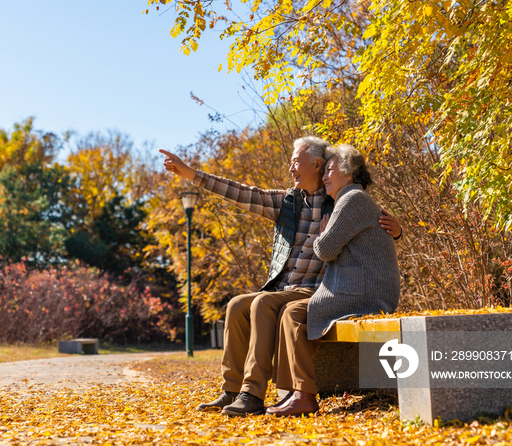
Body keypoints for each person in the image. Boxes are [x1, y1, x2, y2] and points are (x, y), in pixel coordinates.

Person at [159, 136, 401, 417]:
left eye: (297, 161)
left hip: (320, 290)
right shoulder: (288, 203)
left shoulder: (338, 199)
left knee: (263, 303)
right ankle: (232, 390)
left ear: (317, 164)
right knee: (237, 304)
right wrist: (191, 174)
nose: (291, 168)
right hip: (286, 288)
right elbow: (241, 193)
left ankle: (252, 393)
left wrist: (397, 231)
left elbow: (373, 228)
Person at [266, 144, 401, 417]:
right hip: (358, 287)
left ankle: (302, 394)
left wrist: (323, 233)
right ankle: (294, 392)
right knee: (291, 312)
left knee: (293, 315)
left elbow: (325, 250)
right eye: (324, 169)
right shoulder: (350, 199)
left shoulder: (352, 199)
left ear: (349, 172)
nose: (326, 175)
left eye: (330, 169)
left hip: (364, 292)